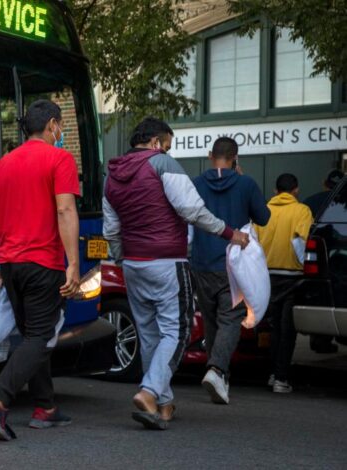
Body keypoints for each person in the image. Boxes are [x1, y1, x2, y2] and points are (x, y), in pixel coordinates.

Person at [102, 117, 248, 430]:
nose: (169, 150)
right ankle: (149, 391)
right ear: (156, 142)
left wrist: (121, 259)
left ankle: (162, 404)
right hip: (168, 261)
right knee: (177, 330)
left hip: (133, 263)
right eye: (167, 145)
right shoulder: (162, 164)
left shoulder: (111, 175)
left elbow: (112, 228)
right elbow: (192, 210)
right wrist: (229, 233)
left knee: (150, 333)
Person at [0, 99, 81, 441]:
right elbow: (65, 210)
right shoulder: (60, 158)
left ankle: (45, 407)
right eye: (60, 125)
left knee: (34, 336)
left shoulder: (4, 163)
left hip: (10, 266)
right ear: (52, 125)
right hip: (43, 264)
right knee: (41, 336)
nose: (61, 132)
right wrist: (73, 263)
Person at [190, 137, 270, 404]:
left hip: (201, 262)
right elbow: (264, 217)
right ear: (236, 157)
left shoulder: (197, 183)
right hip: (232, 262)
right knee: (231, 317)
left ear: (211, 155)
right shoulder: (245, 183)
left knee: (212, 320)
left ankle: (218, 375)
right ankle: (216, 370)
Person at [256, 173, 314, 394]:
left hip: (266, 276)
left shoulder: (263, 210)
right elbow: (303, 240)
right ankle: (281, 378)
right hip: (292, 277)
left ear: (275, 190)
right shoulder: (302, 211)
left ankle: (272, 374)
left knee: (273, 329)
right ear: (296, 190)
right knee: (287, 329)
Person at [303, 169, 343, 354]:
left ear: (324, 183)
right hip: (337, 256)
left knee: (320, 294)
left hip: (316, 259)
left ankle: (320, 339)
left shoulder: (310, 202)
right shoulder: (339, 202)